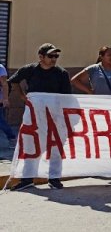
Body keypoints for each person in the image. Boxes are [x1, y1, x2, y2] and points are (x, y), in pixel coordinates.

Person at [9, 43, 71, 191]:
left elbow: (66, 96)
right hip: (34, 115)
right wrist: (23, 98)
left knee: (55, 145)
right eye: (51, 56)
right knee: (31, 144)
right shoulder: (30, 70)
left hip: (55, 115)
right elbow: (14, 81)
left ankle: (54, 178)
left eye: (56, 56)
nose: (54, 59)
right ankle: (27, 178)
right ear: (41, 57)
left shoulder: (61, 73)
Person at [0, 63, 16, 149]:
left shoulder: (0, 68)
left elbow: (4, 84)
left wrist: (5, 99)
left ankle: (12, 138)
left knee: (1, 122)